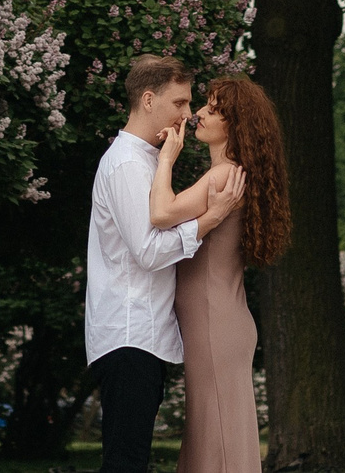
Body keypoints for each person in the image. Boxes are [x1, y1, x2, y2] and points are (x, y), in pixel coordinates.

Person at [89, 57, 247, 473]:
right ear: (147, 100)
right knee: (126, 463)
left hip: (142, 335)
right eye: (179, 102)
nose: (187, 114)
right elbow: (148, 250)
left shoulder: (146, 160)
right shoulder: (127, 164)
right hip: (129, 334)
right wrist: (210, 219)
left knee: (130, 460)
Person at [151, 75, 281, 473]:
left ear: (235, 123)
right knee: (217, 434)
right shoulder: (229, 174)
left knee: (215, 437)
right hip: (221, 319)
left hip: (213, 321)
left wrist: (166, 160)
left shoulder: (222, 176)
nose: (200, 114)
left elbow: (160, 214)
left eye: (213, 108)